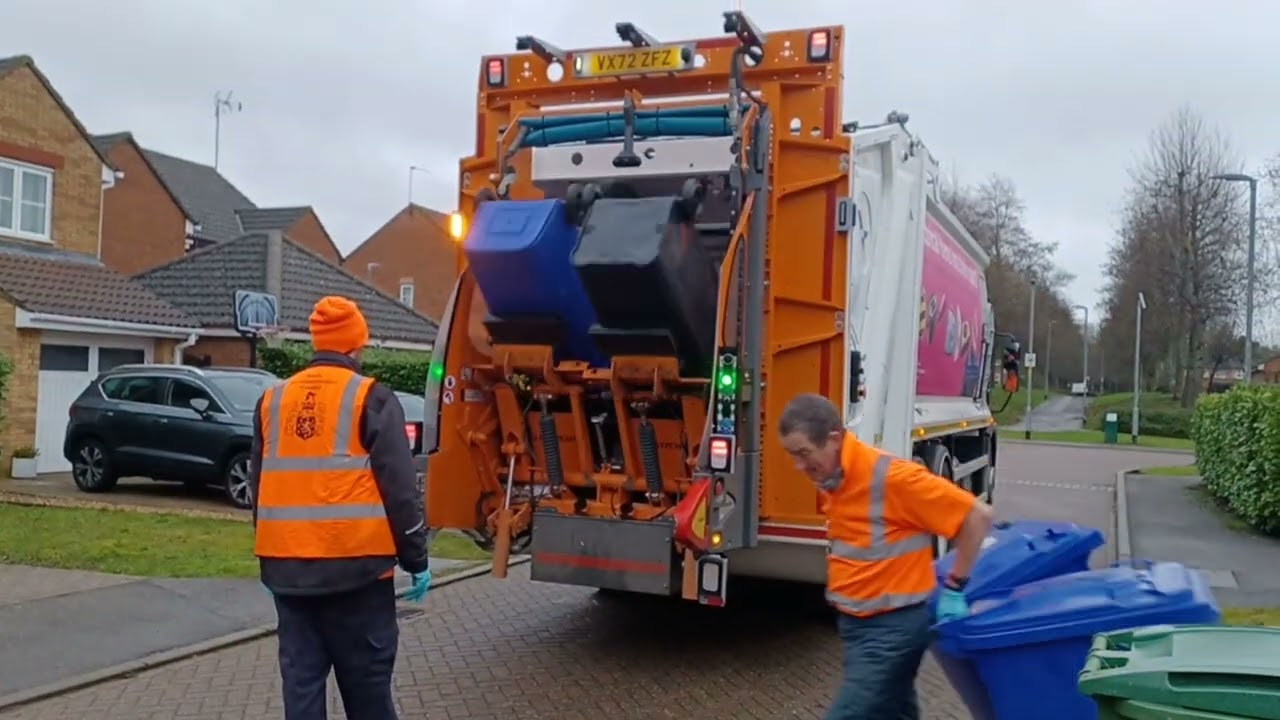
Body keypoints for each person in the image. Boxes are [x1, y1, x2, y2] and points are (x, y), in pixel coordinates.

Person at [248, 295, 432, 720]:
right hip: (359, 577)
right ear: (355, 346)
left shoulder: (272, 402)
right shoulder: (372, 399)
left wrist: (270, 556)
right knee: (368, 694)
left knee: (302, 690)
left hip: (289, 575)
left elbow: (261, 488)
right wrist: (416, 558)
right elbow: (400, 490)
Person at [777, 393, 993, 720]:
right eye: (792, 455)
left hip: (893, 628)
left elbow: (976, 516)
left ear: (834, 439)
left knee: (851, 713)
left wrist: (955, 586)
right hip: (856, 625)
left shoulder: (893, 479)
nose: (799, 466)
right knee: (894, 712)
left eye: (804, 453)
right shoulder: (833, 478)